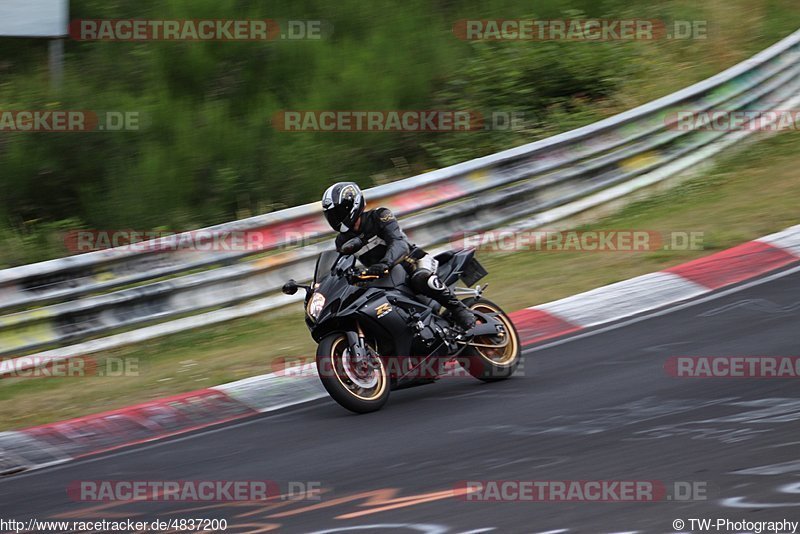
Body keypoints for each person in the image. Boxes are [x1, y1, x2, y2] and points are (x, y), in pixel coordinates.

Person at [321, 181, 476, 329]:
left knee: (421, 279)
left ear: (353, 205)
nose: (335, 218)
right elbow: (338, 267)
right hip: (384, 277)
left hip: (412, 262)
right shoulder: (341, 241)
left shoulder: (380, 216)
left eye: (339, 212)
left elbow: (399, 243)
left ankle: (460, 310)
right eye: (331, 215)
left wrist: (386, 263)